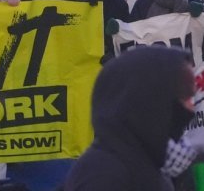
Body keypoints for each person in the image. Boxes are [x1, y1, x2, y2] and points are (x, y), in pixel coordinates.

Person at [64, 46, 196, 191]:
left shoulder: (149, 164)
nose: (191, 105)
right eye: (185, 94)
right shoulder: (103, 172)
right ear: (151, 99)